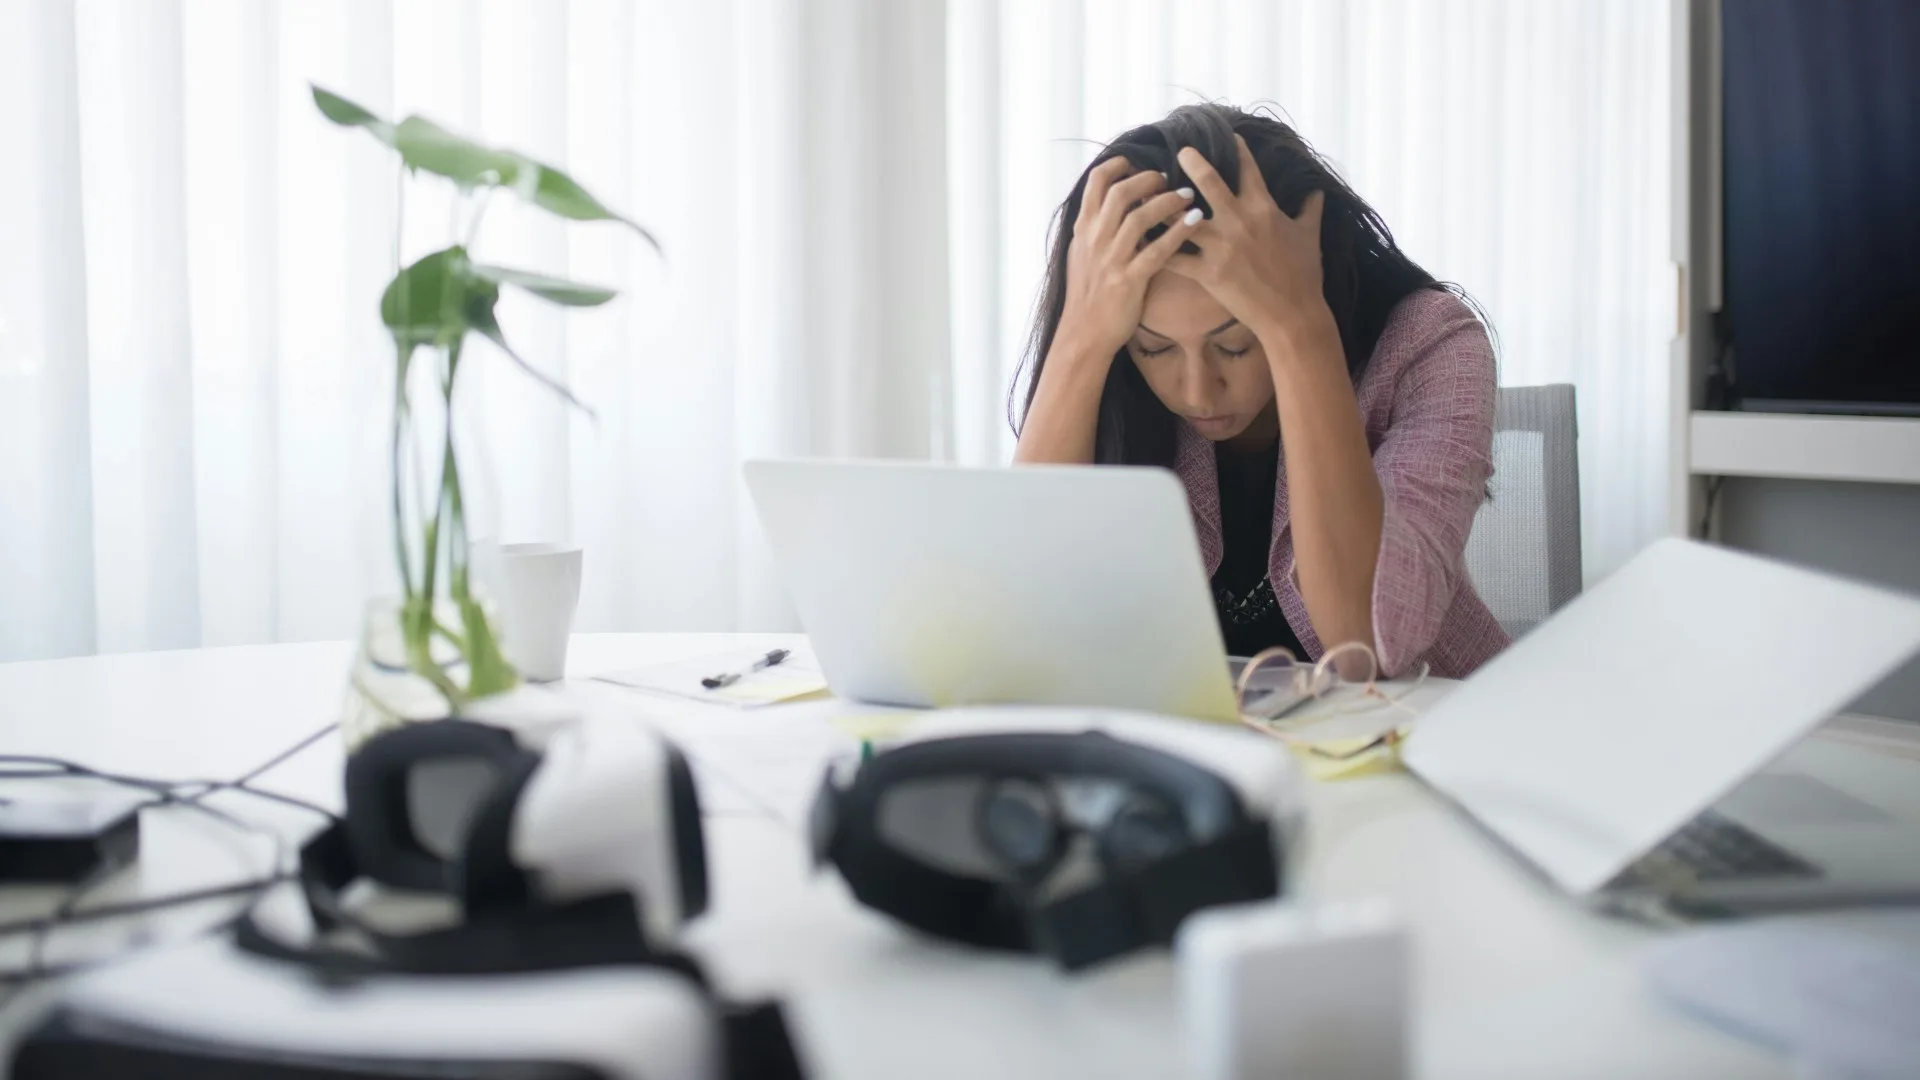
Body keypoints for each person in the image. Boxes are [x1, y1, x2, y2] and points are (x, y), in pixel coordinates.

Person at [1012, 103, 1508, 679]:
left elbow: (1367, 645)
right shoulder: (1111, 364)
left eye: (1237, 345)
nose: (1198, 391)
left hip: (1415, 740)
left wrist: (1299, 328)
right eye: (1155, 348)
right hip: (1200, 746)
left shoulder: (1430, 342)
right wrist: (1081, 339)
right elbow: (1026, 614)